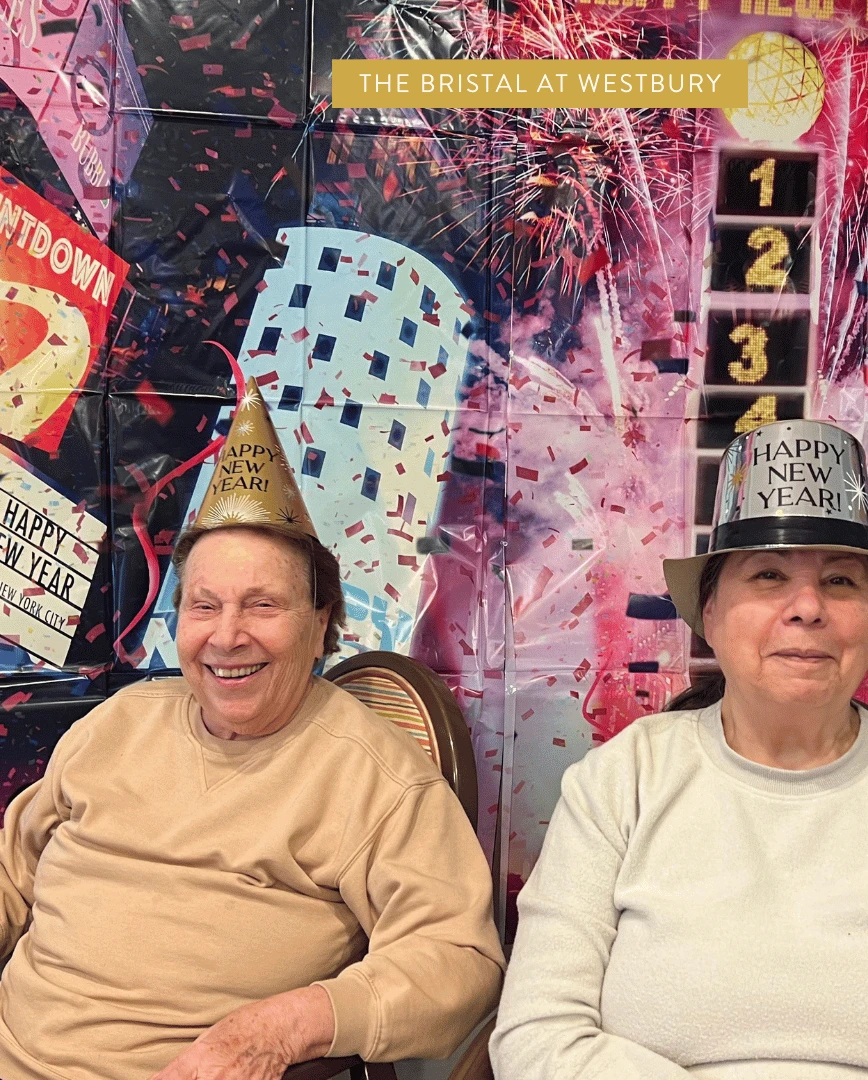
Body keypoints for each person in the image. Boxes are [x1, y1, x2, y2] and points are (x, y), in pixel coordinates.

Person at [490, 419, 868, 1080]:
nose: (807, 607)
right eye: (769, 575)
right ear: (709, 615)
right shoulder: (618, 785)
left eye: (840, 582)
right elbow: (539, 1035)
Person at [0, 380, 504, 1080]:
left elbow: (459, 963)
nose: (227, 637)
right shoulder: (119, 722)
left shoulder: (375, 775)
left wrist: (285, 1026)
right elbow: (12, 870)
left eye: (262, 605)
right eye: (205, 606)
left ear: (320, 620)